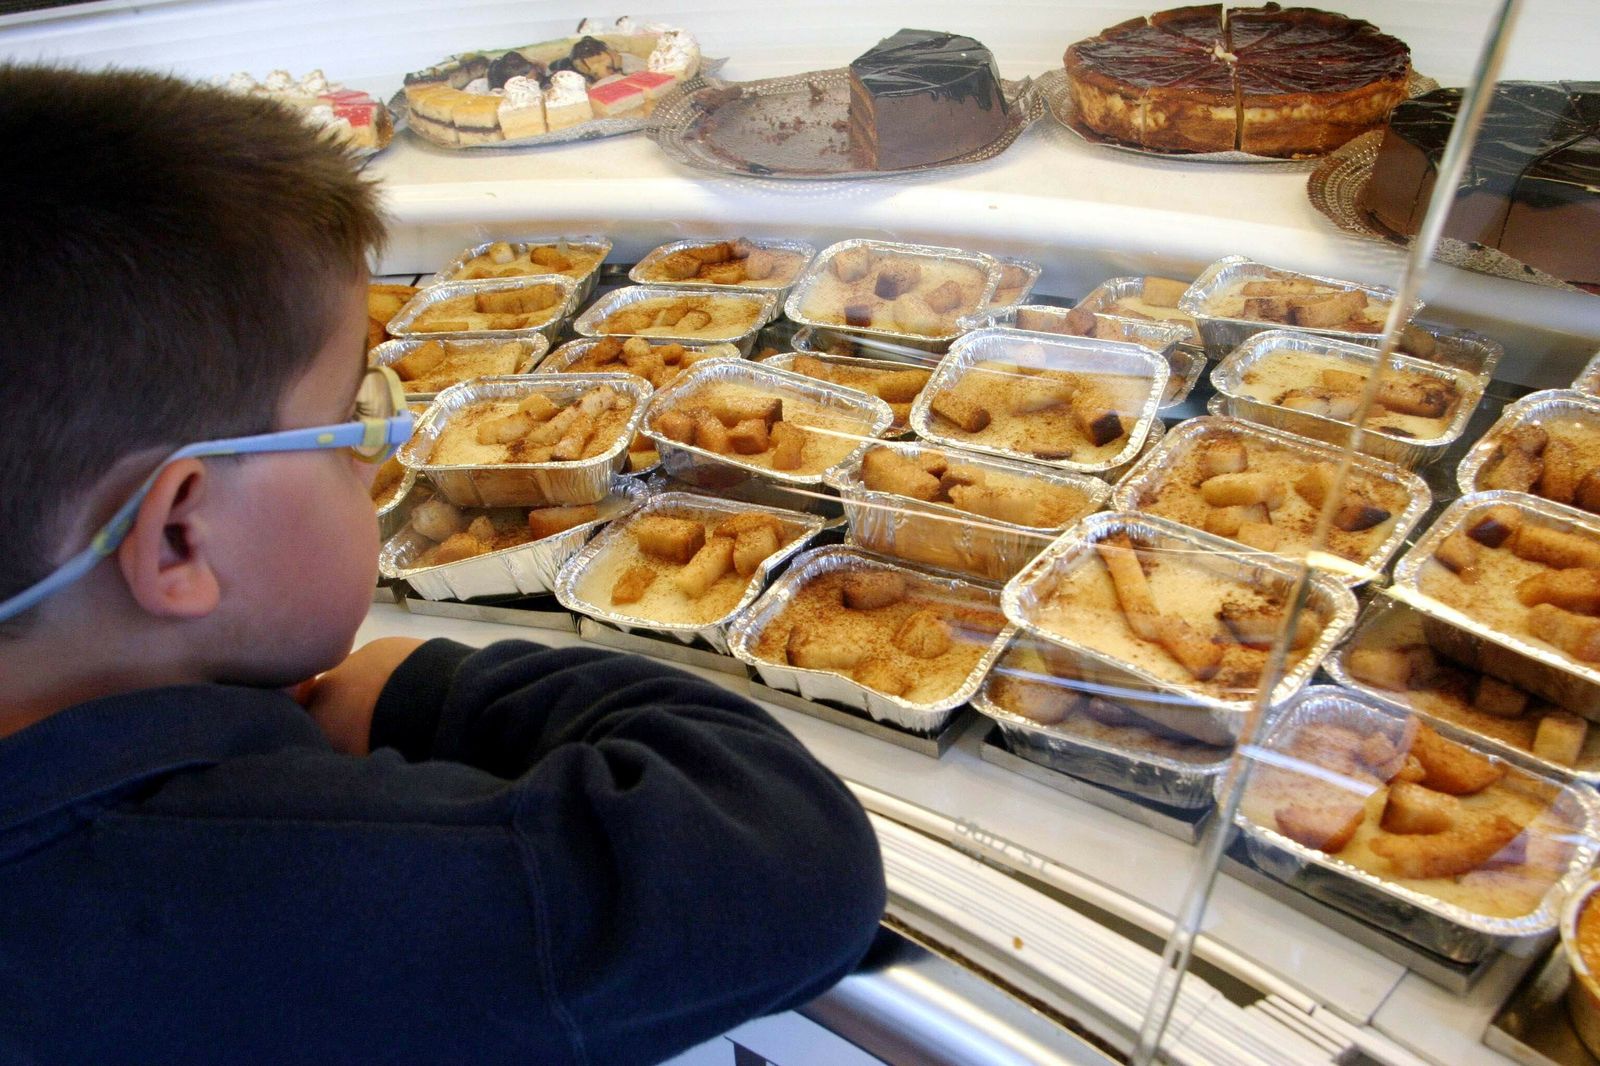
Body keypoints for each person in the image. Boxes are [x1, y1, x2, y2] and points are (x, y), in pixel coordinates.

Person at [0, 65, 884, 1065]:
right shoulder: (293, 878)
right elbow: (789, 862)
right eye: (351, 424)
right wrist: (432, 691)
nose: (379, 448)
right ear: (179, 538)